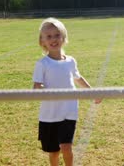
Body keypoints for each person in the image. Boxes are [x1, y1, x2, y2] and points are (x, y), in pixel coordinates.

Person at [33, 18, 101, 166]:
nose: (53, 39)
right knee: (54, 152)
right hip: (49, 114)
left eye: (57, 35)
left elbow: (78, 78)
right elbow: (36, 87)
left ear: (64, 37)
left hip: (68, 111)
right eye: (48, 36)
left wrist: (92, 92)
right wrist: (51, 92)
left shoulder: (70, 61)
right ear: (42, 41)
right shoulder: (42, 64)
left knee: (66, 147)